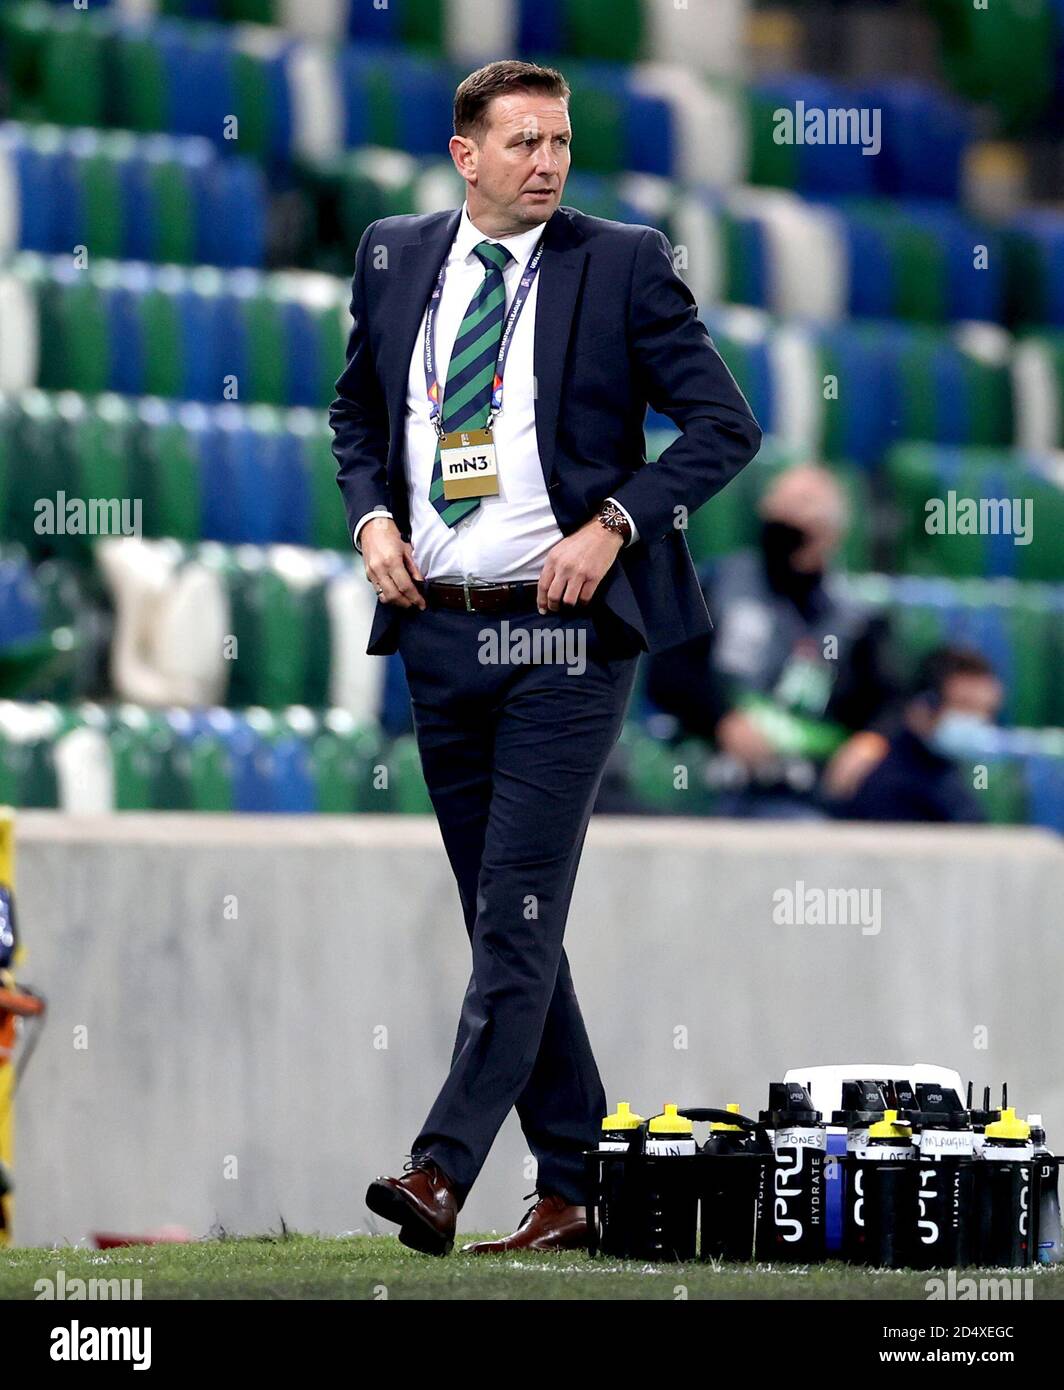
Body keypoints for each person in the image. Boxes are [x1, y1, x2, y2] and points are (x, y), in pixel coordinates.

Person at [329, 59, 761, 1256]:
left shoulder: (618, 259)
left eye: (560, 142)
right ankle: (574, 1183)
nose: (548, 161)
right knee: (501, 915)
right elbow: (356, 415)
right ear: (464, 154)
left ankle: (438, 1168)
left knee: (514, 915)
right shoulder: (393, 252)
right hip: (438, 627)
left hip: (566, 638)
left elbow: (726, 423)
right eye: (523, 142)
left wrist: (614, 522)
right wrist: (371, 520)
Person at [645, 465, 897, 818]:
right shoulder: (718, 586)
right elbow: (669, 674)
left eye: (801, 508)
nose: (783, 518)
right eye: (778, 506)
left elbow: (888, 701)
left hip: (813, 784)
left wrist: (869, 743)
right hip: (715, 772)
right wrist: (722, 721)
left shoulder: (857, 616)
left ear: (831, 534)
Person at [835, 646, 1004, 823]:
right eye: (964, 706)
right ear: (922, 708)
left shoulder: (958, 773)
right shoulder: (894, 786)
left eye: (986, 710)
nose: (976, 721)